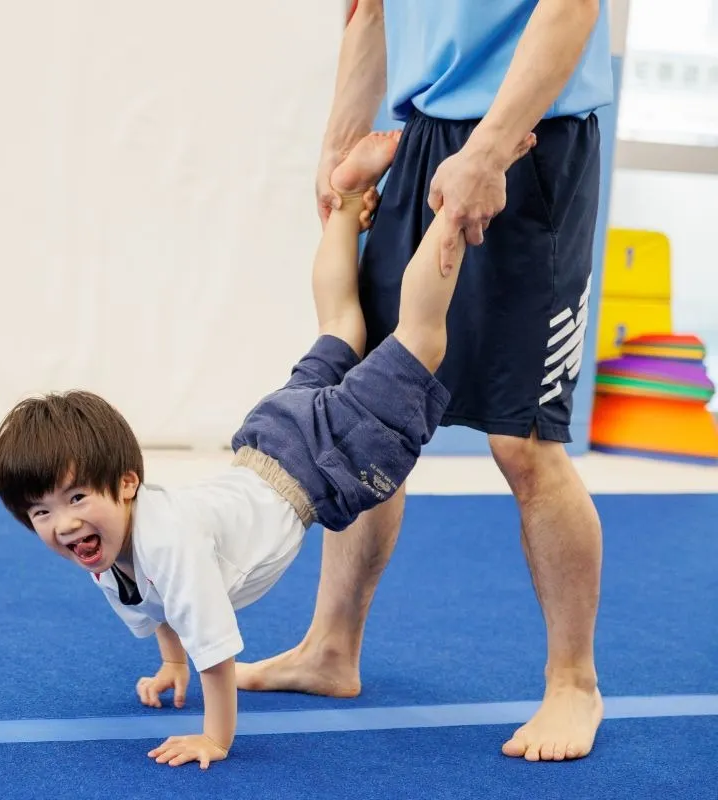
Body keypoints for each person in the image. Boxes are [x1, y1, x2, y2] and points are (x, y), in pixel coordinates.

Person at [0, 129, 534, 769]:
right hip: (269, 436)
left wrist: (214, 738)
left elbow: (216, 655)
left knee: (419, 341)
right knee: (341, 327)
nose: (66, 522)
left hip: (312, 460)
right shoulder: (106, 551)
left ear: (129, 483)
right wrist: (170, 666)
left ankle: (453, 209)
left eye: (78, 498)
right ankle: (348, 193)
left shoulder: (164, 544)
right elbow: (155, 608)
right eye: (43, 513)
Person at [234, 0, 612, 763]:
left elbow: (572, 5)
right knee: (370, 406)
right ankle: (331, 648)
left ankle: (574, 682)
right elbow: (371, 9)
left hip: (533, 137)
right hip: (419, 137)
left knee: (525, 441)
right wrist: (339, 147)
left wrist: (492, 149)